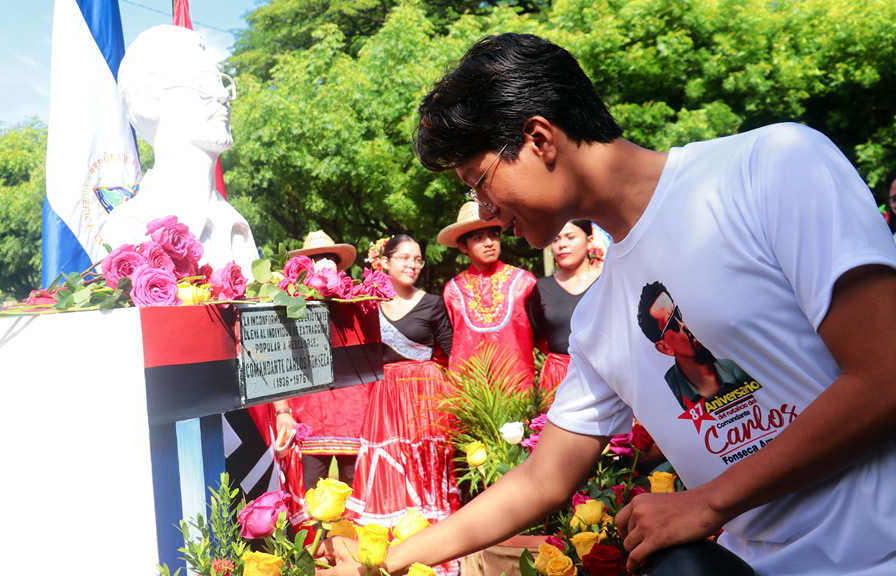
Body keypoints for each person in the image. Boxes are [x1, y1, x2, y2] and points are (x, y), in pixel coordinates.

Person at [319, 33, 896, 576]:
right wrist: (381, 562)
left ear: (539, 139)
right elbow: (542, 480)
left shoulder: (770, 167)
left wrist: (707, 503)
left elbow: (884, 374)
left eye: (480, 181)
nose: (484, 209)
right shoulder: (600, 317)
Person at [104, 25, 258, 274]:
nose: (223, 95)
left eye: (222, 82)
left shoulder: (238, 227)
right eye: (204, 83)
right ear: (149, 100)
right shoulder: (129, 228)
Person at [349, 235, 458, 573]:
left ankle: (434, 554)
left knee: (423, 469)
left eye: (418, 260)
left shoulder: (433, 304)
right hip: (385, 400)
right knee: (389, 471)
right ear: (385, 261)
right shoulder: (367, 305)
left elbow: (453, 353)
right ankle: (388, 556)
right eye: (405, 258)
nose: (412, 265)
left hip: (426, 398)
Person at [272, 231, 365, 494]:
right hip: (308, 412)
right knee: (312, 496)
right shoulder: (287, 306)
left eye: (328, 259)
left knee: (356, 492)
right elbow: (278, 361)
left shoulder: (356, 302)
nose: (322, 264)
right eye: (315, 259)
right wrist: (283, 411)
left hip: (354, 412)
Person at [438, 202, 538, 382]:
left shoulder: (524, 282)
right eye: (478, 238)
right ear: (463, 246)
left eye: (494, 235)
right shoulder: (453, 291)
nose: (489, 243)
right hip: (471, 391)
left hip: (517, 385)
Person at [637, 281, 759, 412]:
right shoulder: (668, 395)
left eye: (678, 314)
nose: (684, 325)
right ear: (664, 348)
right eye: (672, 323)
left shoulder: (736, 369)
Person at [526, 220, 602, 394]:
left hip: (605, 375)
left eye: (570, 237)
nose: (562, 245)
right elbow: (533, 335)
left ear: (589, 241)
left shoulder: (607, 280)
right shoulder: (542, 287)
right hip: (559, 380)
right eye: (555, 239)